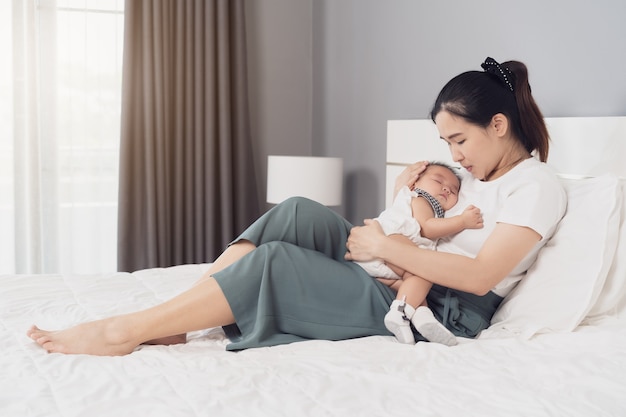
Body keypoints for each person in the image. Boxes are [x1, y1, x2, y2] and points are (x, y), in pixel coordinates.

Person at [27, 57, 567, 356]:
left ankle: (126, 330)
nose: (453, 155)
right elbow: (424, 225)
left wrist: (385, 247)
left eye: (460, 141)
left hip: (441, 305)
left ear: (498, 125)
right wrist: (397, 218)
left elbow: (478, 276)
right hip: (406, 264)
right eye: (446, 143)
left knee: (277, 262)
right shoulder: (470, 177)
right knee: (297, 210)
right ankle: (174, 319)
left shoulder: (536, 186)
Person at [355, 162, 484, 346]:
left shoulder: (431, 206)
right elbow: (427, 228)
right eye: (438, 180)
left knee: (412, 281)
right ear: (414, 183)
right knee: (427, 271)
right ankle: (400, 313)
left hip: (383, 261)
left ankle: (422, 315)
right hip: (391, 238)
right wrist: (462, 221)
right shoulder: (421, 198)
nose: (446, 188)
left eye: (454, 190)